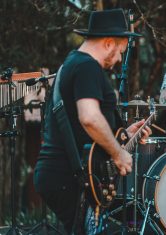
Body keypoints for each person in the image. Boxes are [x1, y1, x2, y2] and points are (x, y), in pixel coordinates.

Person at [33, 9, 151, 234]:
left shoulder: (73, 63)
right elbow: (89, 117)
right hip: (68, 175)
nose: (118, 60)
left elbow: (83, 129)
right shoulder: (87, 66)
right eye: (119, 52)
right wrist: (118, 153)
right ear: (108, 43)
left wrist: (124, 134)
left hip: (64, 173)